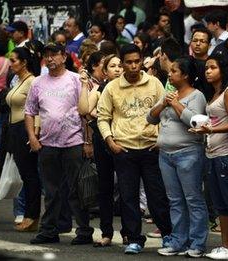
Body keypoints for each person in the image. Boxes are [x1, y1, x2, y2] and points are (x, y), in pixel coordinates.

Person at [97, 44, 172, 254]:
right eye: (128, 62)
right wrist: (110, 141)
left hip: (151, 148)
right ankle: (134, 239)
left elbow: (165, 111)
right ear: (122, 64)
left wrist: (161, 138)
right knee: (128, 197)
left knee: (157, 195)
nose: (133, 66)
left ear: (141, 61)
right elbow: (103, 117)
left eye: (136, 61)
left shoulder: (155, 83)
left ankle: (168, 234)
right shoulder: (112, 88)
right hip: (124, 149)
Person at [25, 43, 91, 245]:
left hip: (73, 142)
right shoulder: (37, 82)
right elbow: (29, 111)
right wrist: (33, 138)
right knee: (51, 191)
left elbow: (86, 111)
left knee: (76, 190)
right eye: (47, 55)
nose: (50, 58)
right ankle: (49, 231)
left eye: (54, 54)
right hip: (47, 144)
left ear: (64, 57)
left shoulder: (75, 79)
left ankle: (84, 231)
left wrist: (88, 142)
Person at [147, 56, 208, 258]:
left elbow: (195, 122)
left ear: (186, 75)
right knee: (175, 201)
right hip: (166, 155)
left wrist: (175, 104)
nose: (170, 74)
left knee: (193, 199)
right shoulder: (169, 93)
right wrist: (163, 103)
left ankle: (197, 243)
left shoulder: (196, 96)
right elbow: (150, 117)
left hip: (188, 153)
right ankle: (178, 241)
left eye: (174, 71)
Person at [185, 53, 228, 260]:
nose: (208, 71)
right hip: (212, 154)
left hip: (227, 154)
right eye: (207, 68)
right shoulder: (214, 93)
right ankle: (226, 246)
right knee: (220, 205)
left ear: (223, 70)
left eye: (213, 67)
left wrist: (210, 131)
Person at [87, 54, 127, 247]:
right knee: (105, 188)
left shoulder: (129, 88)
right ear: (105, 71)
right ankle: (106, 233)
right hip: (102, 141)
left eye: (120, 65)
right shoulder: (99, 89)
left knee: (127, 187)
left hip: (124, 140)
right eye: (112, 66)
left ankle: (128, 232)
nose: (118, 69)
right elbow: (85, 109)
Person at [6, 47, 41, 232]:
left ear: (24, 62)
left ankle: (32, 216)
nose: (10, 64)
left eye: (14, 60)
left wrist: (33, 134)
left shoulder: (32, 81)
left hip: (24, 130)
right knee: (25, 174)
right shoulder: (18, 80)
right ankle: (28, 214)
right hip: (14, 129)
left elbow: (38, 109)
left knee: (30, 175)